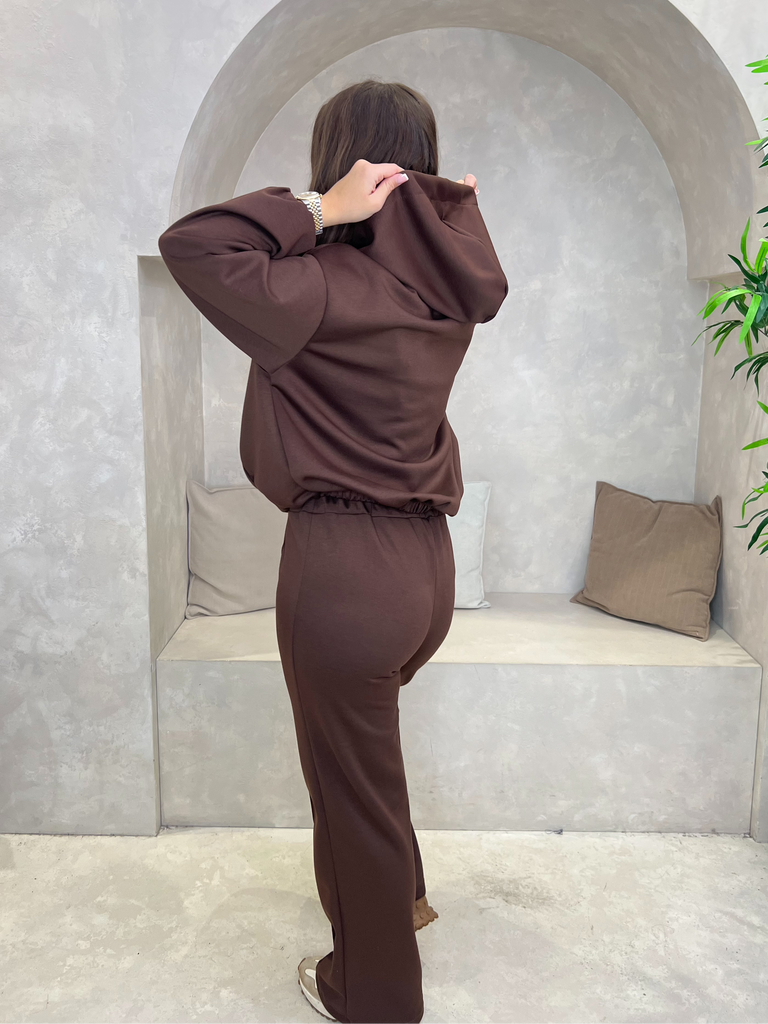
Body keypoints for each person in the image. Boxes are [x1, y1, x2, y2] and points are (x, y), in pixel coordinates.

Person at [158, 78, 508, 1024]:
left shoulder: (311, 287)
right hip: (425, 570)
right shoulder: (445, 292)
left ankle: (374, 994)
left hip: (345, 571)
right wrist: (444, 211)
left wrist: (319, 209)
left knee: (348, 787)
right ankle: (404, 900)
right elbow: (451, 261)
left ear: (346, 164)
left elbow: (192, 244)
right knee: (368, 768)